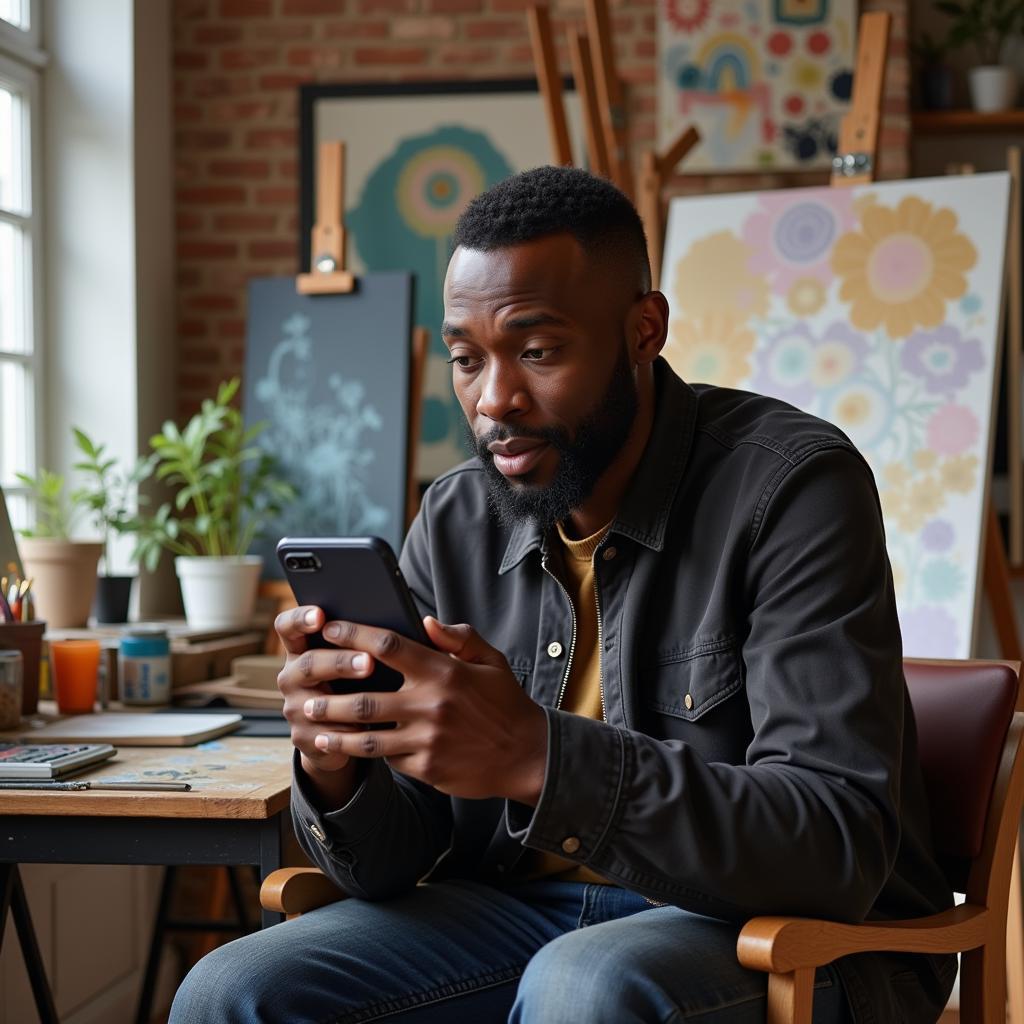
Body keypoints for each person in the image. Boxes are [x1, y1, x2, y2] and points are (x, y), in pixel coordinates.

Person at [170, 166, 955, 1024]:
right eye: (467, 360)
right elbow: (395, 862)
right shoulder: (459, 514)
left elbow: (834, 844)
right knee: (231, 991)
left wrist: (535, 755)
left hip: (769, 930)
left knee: (585, 987)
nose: (494, 399)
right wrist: (336, 766)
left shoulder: (793, 488)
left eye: (537, 352)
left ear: (643, 330)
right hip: (516, 916)